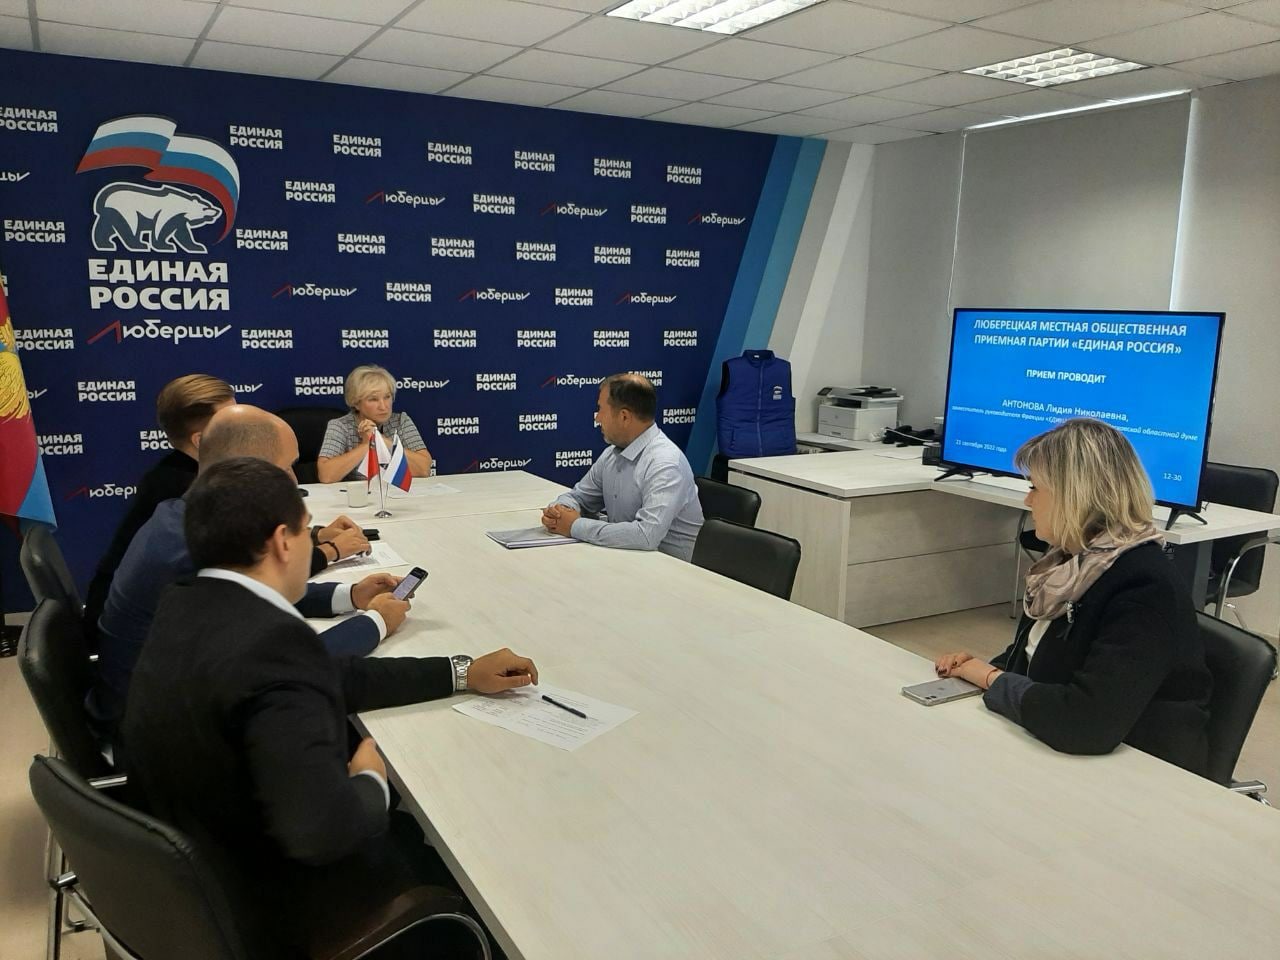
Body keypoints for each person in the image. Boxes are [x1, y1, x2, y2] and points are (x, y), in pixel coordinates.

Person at [122, 456, 537, 957]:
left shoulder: (187, 602)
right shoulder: (271, 644)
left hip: (197, 877)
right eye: (307, 532)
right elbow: (324, 833)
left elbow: (330, 675)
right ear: (282, 542)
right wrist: (370, 781)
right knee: (476, 872)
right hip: (278, 910)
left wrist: (460, 671)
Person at [89, 405, 393, 750]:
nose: (294, 482)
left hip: (154, 706)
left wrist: (349, 595)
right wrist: (376, 622)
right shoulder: (192, 549)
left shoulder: (183, 515)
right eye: (286, 468)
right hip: (162, 741)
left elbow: (257, 595)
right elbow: (289, 665)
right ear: (248, 470)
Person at [935, 418, 1212, 775]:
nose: (1028, 500)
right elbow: (1039, 654)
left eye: (1035, 488)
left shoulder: (1144, 585)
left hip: (1143, 770)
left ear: (1074, 496)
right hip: (1057, 749)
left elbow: (1086, 723)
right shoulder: (1069, 562)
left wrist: (990, 678)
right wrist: (988, 667)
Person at [83, 374, 235, 643]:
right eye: (232, 423)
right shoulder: (187, 490)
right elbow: (244, 569)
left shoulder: (171, 473)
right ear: (201, 440)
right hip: (139, 642)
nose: (244, 428)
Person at [541, 373, 704, 561]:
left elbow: (645, 536)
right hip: (627, 559)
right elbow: (579, 498)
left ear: (624, 417)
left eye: (601, 409)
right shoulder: (612, 454)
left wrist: (574, 526)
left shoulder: (665, 463)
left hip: (673, 570)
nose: (597, 418)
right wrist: (559, 512)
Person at [317, 364, 432, 483]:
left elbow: (424, 469)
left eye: (387, 397)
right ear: (356, 403)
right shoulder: (340, 426)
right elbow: (326, 476)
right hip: (359, 493)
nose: (383, 406)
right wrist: (366, 444)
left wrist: (381, 440)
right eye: (373, 399)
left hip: (397, 491)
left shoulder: (400, 421)